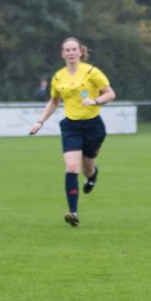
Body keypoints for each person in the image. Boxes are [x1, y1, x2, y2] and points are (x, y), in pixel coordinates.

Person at [29, 37, 115, 226]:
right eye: (67, 50)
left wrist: (95, 101)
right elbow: (53, 102)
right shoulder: (59, 77)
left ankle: (92, 176)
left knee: (87, 169)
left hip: (93, 126)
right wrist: (40, 121)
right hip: (71, 126)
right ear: (62, 54)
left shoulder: (92, 72)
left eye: (73, 49)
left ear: (80, 52)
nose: (70, 53)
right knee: (71, 167)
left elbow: (110, 93)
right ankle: (73, 212)